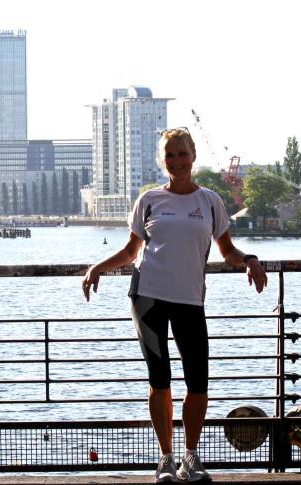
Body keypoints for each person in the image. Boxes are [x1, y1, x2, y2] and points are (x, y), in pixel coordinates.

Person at [82, 127, 267, 483]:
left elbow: (226, 250)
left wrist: (251, 260)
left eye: (182, 154)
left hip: (189, 299)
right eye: (170, 155)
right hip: (147, 296)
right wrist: (96, 267)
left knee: (198, 382)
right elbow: (131, 251)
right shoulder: (149, 200)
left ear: (193, 156)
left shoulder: (210, 201)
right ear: (162, 160)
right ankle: (166, 459)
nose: (177, 161)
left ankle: (191, 458)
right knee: (160, 379)